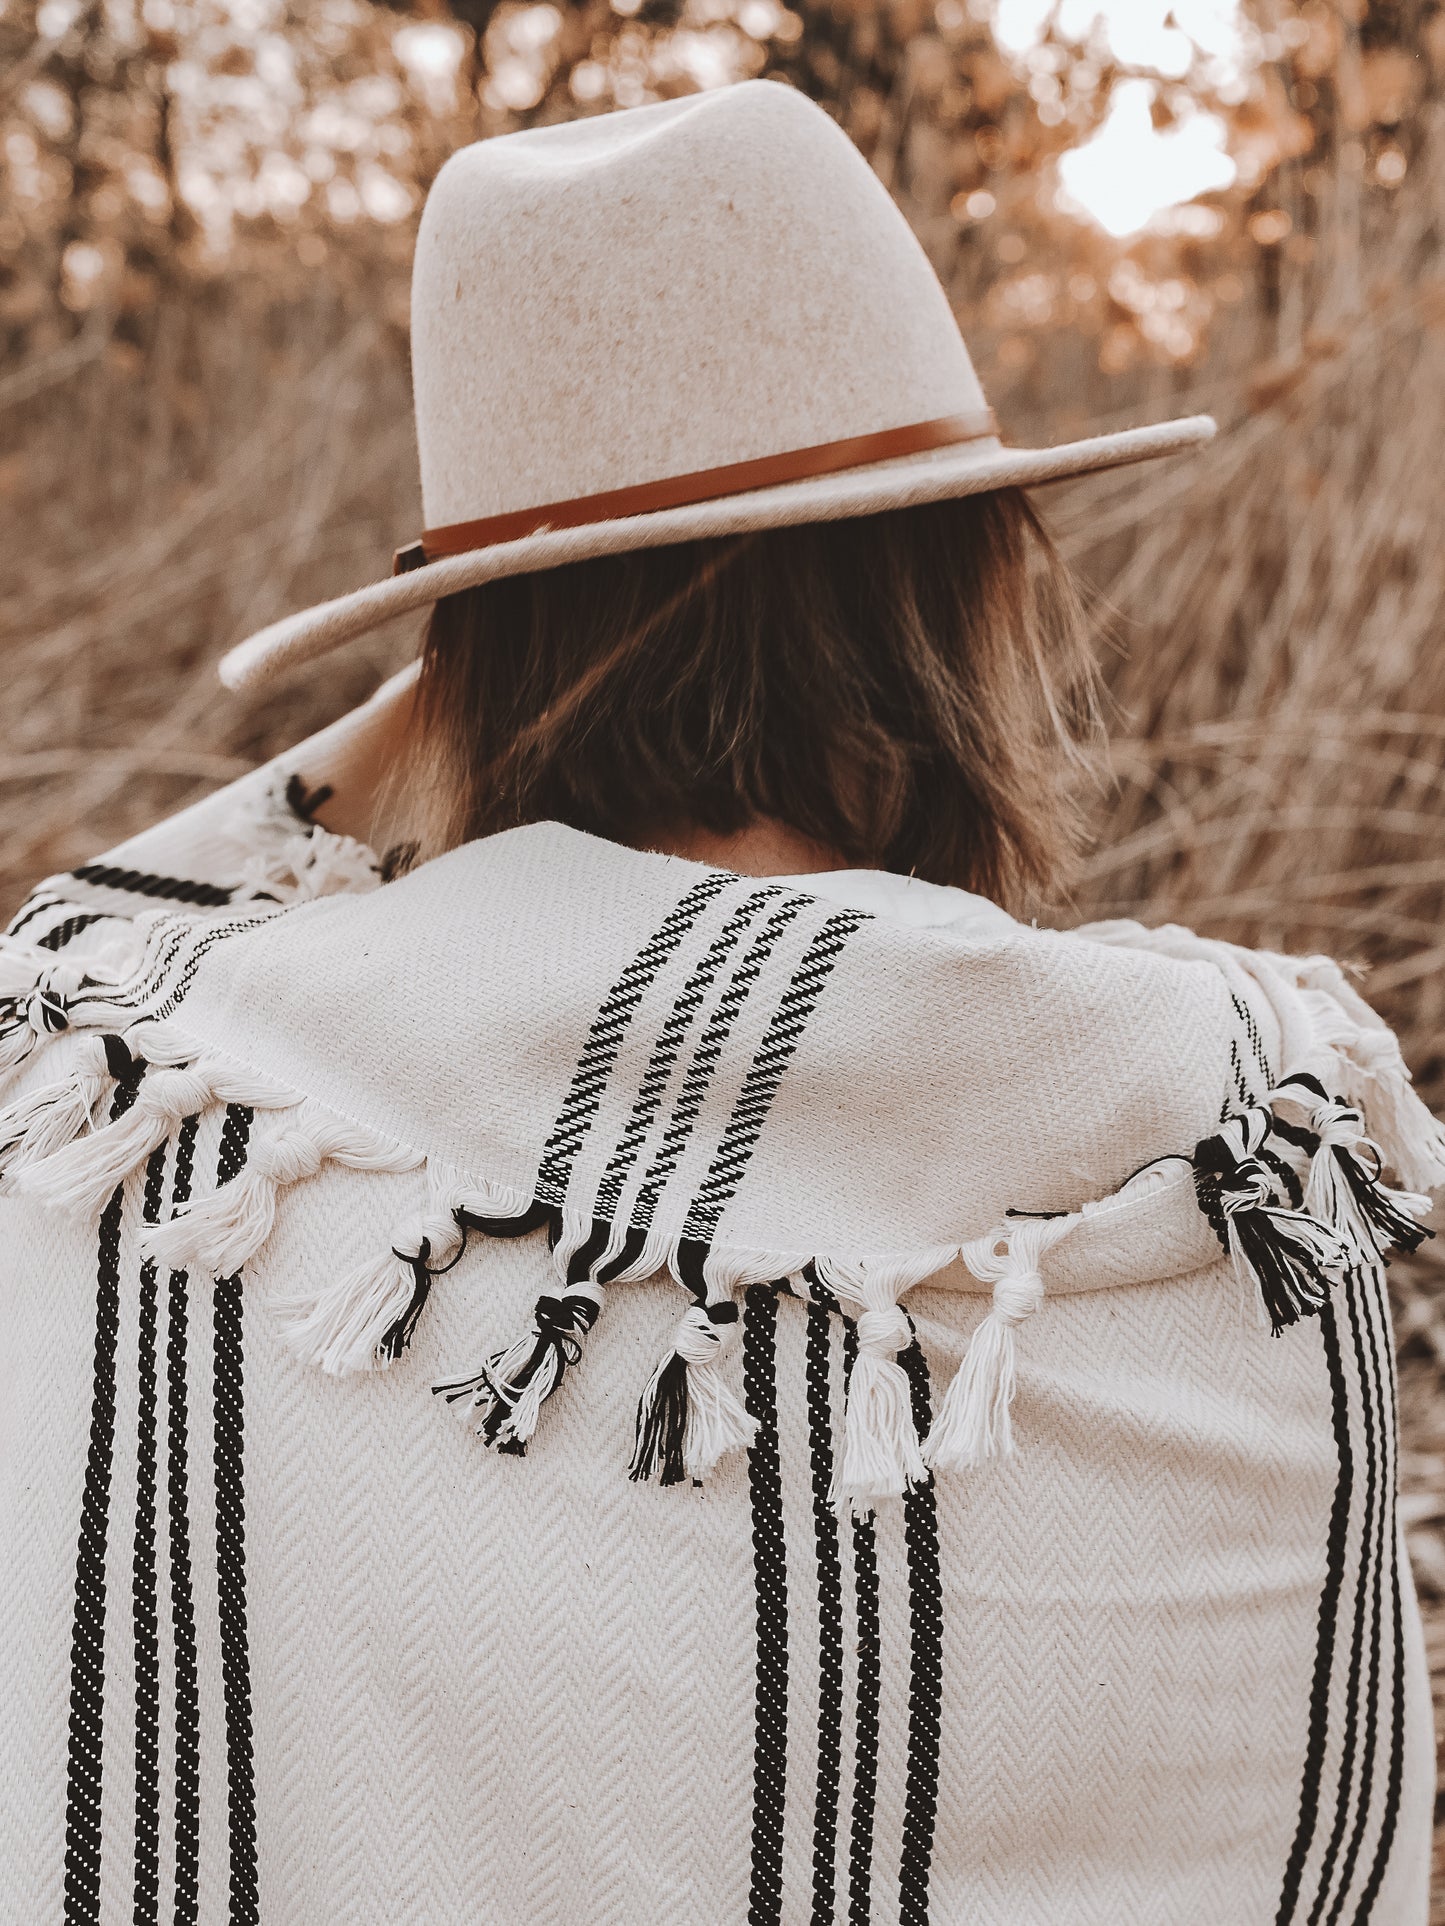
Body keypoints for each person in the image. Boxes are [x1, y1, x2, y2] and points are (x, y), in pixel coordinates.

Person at [0, 80, 1434, 1926]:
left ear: (468, 652)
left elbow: (78, 944)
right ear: (968, 594)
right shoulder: (1229, 1121)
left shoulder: (169, 1130)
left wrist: (460, 684)